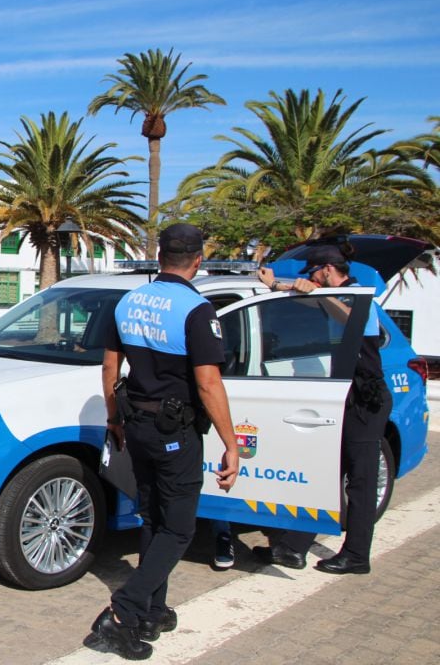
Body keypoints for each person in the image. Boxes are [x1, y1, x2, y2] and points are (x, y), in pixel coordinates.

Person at [86, 223, 240, 661]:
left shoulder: (128, 301)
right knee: (179, 528)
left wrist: (113, 420)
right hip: (175, 433)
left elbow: (109, 369)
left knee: (153, 517)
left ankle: (153, 609)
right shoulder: (196, 309)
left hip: (136, 426)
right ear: (198, 260)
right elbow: (209, 383)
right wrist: (232, 444)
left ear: (159, 257)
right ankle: (123, 613)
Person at [253, 244, 392, 574]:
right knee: (325, 472)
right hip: (344, 395)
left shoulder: (360, 295)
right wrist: (275, 285)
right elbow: (308, 293)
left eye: (314, 273)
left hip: (366, 399)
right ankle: (293, 547)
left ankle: (356, 556)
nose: (311, 277)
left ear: (328, 270)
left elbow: (352, 318)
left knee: (359, 480)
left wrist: (318, 293)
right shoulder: (335, 293)